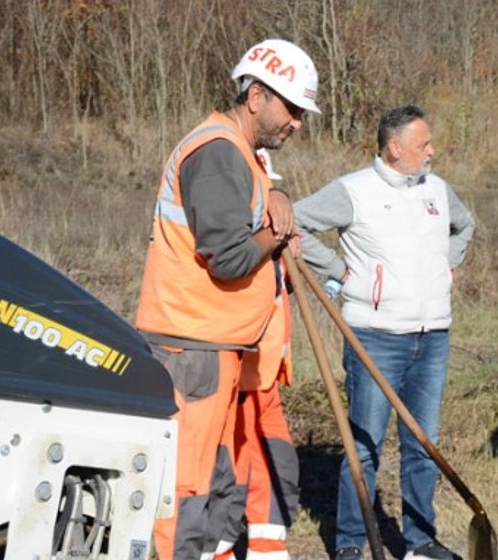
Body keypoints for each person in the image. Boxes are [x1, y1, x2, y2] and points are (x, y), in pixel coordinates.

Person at [133, 38, 319, 560]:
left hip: (213, 346)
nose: (297, 123)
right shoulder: (216, 152)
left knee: (213, 482)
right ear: (256, 95)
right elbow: (230, 258)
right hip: (192, 348)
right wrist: (275, 237)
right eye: (292, 108)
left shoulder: (240, 154)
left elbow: (252, 219)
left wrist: (276, 202)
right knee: (185, 488)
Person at [293, 104, 475, 560]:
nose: (432, 151)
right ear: (395, 149)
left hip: (432, 337)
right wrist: (341, 274)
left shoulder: (437, 189)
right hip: (374, 337)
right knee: (365, 446)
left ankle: (419, 542)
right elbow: (294, 221)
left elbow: (465, 224)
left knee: (423, 445)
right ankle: (352, 543)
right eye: (423, 144)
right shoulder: (354, 191)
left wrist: (447, 265)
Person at [214, 149, 300, 560]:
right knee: (232, 462)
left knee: (276, 456)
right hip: (237, 366)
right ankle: (217, 550)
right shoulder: (237, 220)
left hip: (264, 369)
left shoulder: (269, 223)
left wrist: (286, 254)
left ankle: (268, 547)